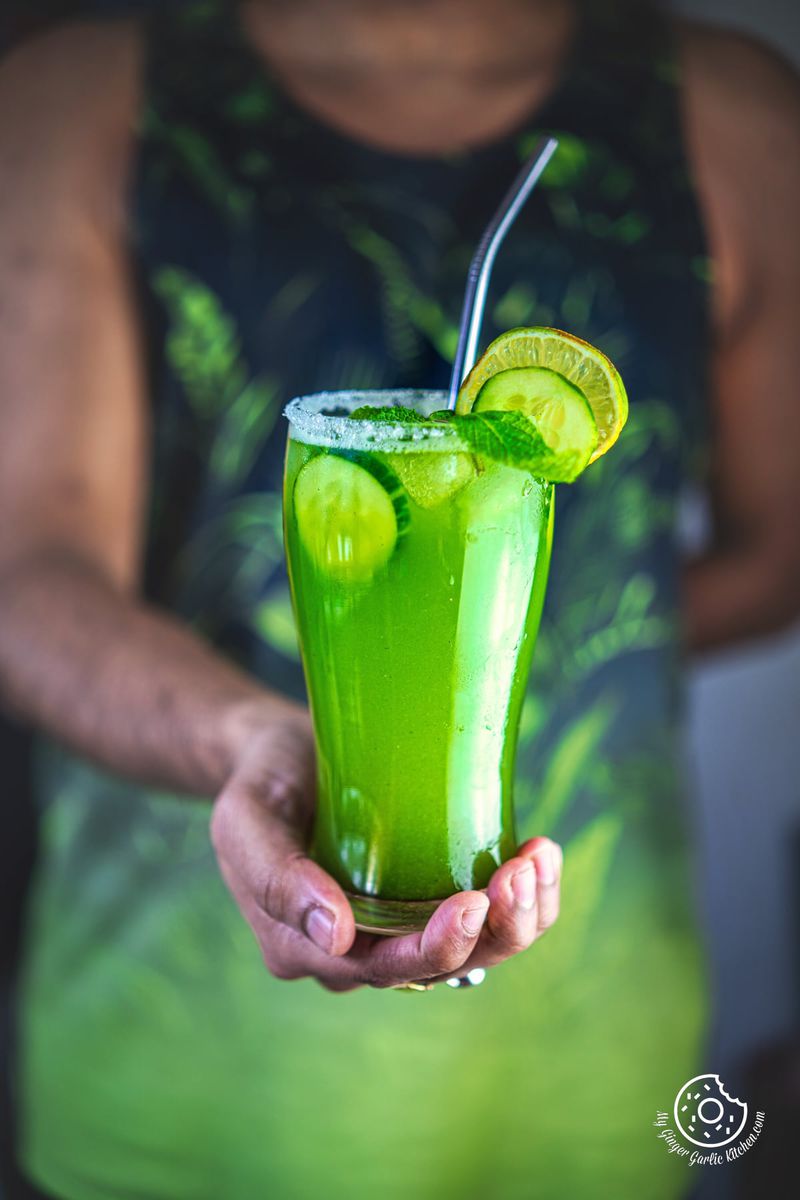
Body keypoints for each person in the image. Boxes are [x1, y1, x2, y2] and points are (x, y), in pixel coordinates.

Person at [0, 1, 798, 1197]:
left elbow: (779, 547)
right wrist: (250, 737)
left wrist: (493, 660)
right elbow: (29, 575)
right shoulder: (77, 92)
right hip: (180, 1077)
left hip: (595, 1071)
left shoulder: (733, 111)